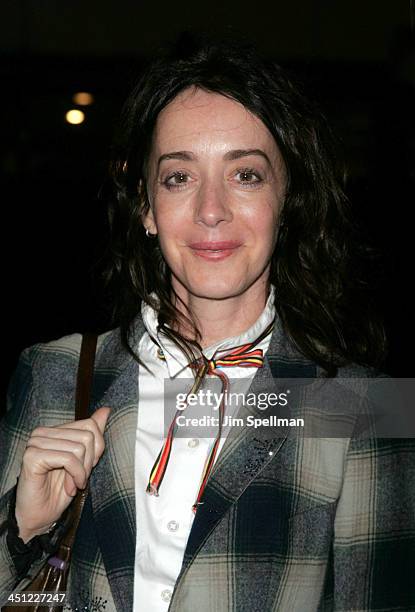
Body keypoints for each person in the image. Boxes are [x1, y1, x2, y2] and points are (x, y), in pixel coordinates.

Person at [0, 32, 414, 612]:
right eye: (179, 177)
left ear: (286, 197)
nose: (211, 209)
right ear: (146, 206)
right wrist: (22, 531)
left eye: (246, 175)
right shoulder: (54, 372)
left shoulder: (364, 404)